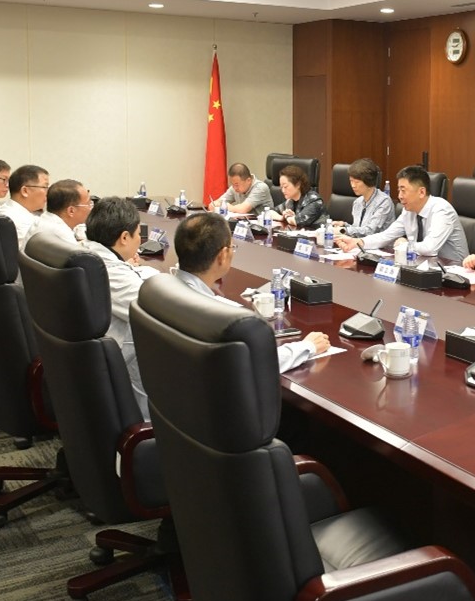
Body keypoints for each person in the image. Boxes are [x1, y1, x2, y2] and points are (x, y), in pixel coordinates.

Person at [172, 213, 330, 371]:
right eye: (232, 247)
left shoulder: (166, 288)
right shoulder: (211, 315)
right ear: (222, 256)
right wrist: (308, 346)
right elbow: (257, 363)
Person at [82, 197, 160, 420]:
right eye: (138, 234)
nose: (140, 240)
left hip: (88, 362)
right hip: (117, 366)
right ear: (124, 237)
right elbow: (156, 309)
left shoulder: (89, 254)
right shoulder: (108, 272)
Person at [335, 165, 469, 265]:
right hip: (423, 267)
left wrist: (406, 244)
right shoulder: (408, 210)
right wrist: (359, 242)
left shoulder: (442, 210)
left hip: (454, 273)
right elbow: (387, 235)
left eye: (403, 191)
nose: (399, 196)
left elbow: (430, 248)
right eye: (399, 190)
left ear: (421, 192)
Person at [331, 158, 395, 237]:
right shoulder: (357, 202)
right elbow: (358, 230)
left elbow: (370, 231)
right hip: (360, 243)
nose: (353, 185)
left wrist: (344, 230)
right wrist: (344, 225)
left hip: (380, 244)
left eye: (357, 182)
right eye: (351, 181)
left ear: (368, 181)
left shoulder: (384, 202)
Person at [29, 179, 92, 247]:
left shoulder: (43, 219)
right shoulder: (61, 234)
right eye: (88, 204)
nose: (91, 208)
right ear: (71, 211)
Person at [2, 164, 48, 248]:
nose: (48, 193)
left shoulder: (9, 209)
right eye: (45, 187)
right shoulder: (19, 221)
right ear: (25, 191)